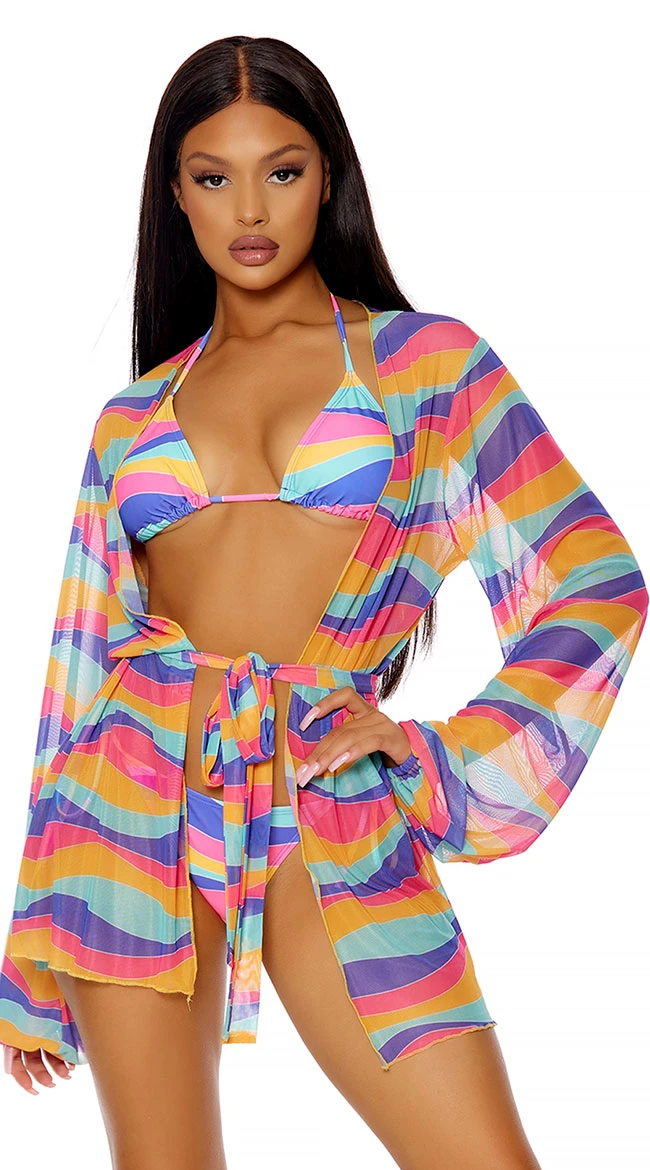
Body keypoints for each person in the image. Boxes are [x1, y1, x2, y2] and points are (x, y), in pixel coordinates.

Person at [1, 34, 646, 1170]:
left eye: (283, 170)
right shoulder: (130, 418)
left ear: (328, 177)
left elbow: (596, 580)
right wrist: (28, 948)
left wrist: (436, 751)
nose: (250, 209)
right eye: (214, 177)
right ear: (175, 196)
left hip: (324, 795)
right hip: (127, 805)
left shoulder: (428, 365)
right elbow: (80, 666)